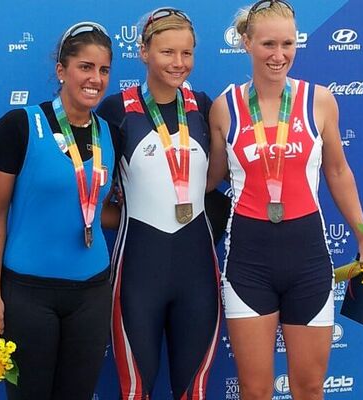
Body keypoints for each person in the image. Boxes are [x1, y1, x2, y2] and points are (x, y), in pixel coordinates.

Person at [206, 1, 363, 399]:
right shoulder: (224, 108)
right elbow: (209, 178)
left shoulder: (321, 101)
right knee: (255, 389)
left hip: (308, 260)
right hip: (249, 262)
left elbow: (337, 172)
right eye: (267, 44)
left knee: (310, 387)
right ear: (246, 43)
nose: (278, 55)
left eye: (288, 44)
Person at [0, 22, 116, 399]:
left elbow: (100, 207)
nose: (95, 79)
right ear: (61, 71)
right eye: (85, 67)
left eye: (103, 70)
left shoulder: (110, 133)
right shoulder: (19, 126)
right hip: (28, 293)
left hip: (91, 293)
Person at [97, 8, 220, 399]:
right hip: (138, 270)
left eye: (186, 53)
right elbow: (85, 192)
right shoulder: (115, 110)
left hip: (198, 270)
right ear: (144, 52)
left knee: (193, 391)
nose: (178, 63)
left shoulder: (204, 105)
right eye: (167, 52)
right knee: (135, 391)